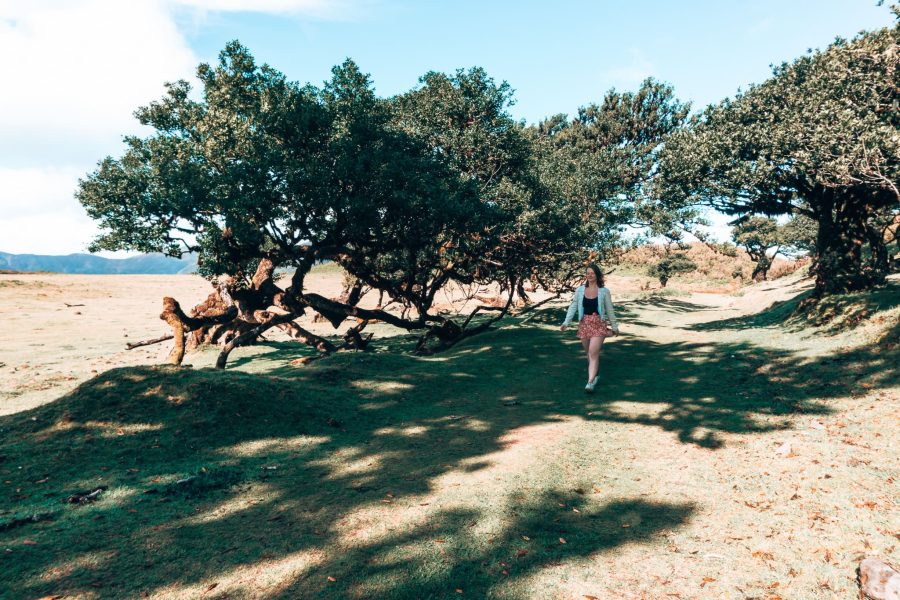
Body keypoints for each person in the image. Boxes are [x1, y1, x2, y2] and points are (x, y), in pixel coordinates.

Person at [559, 263, 619, 392]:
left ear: (597, 275)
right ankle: (595, 374)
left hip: (599, 324)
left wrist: (614, 326)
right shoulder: (580, 290)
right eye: (588, 273)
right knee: (589, 354)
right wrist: (566, 322)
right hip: (584, 324)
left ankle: (590, 382)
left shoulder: (604, 291)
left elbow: (609, 310)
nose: (590, 275)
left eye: (592, 273)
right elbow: (574, 306)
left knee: (593, 352)